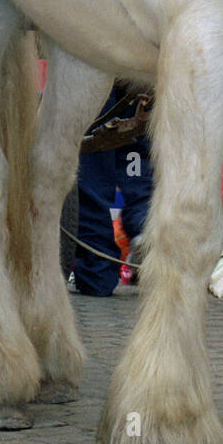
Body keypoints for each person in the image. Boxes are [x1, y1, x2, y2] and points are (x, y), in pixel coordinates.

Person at [72, 90, 154, 297]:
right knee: (134, 158)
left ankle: (97, 271)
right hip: (137, 81)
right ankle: (143, 226)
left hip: (97, 75)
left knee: (94, 173)